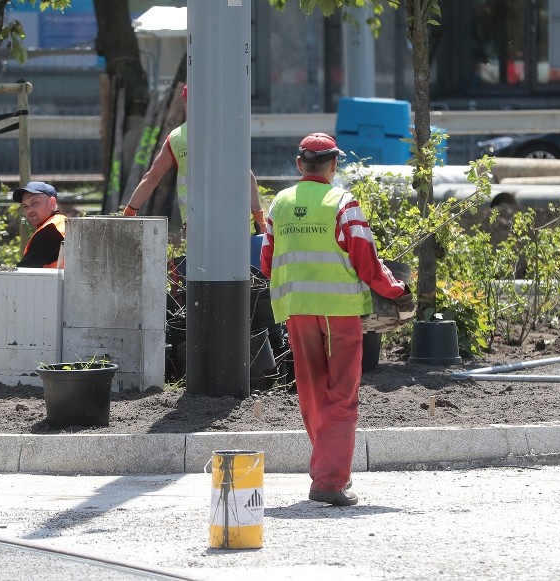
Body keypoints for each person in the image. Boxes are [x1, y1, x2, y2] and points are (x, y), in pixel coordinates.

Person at [260, 132, 414, 506]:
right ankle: (330, 481)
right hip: (339, 312)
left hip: (295, 310)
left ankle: (325, 470)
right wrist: (397, 291)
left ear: (300, 165)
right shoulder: (343, 203)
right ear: (333, 166)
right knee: (342, 393)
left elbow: (266, 262)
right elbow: (366, 260)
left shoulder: (278, 205)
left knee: (312, 392)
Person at [123, 84, 266, 233]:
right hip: (229, 216)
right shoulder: (225, 132)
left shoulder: (176, 138)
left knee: (198, 257)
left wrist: (129, 212)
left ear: (184, 101)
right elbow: (245, 175)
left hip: (194, 219)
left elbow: (151, 178)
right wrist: (259, 217)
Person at [0, 181, 66, 311]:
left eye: (35, 203)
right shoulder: (60, 223)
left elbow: (20, 273)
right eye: (25, 206)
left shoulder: (51, 230)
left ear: (52, 203)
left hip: (60, 304)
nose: (29, 210)